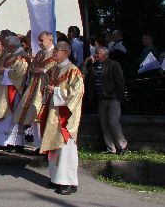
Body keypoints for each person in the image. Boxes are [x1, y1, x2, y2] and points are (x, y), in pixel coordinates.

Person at [38, 41, 84, 196]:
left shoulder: (73, 71)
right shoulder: (53, 70)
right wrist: (47, 89)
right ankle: (56, 178)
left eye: (57, 50)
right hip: (53, 113)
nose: (54, 53)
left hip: (65, 115)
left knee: (66, 149)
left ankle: (69, 182)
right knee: (54, 147)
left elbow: (76, 94)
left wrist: (56, 91)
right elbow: (45, 87)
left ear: (66, 52)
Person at [14, 31, 57, 153]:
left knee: (42, 116)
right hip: (34, 87)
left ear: (50, 40)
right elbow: (31, 68)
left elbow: (56, 72)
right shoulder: (38, 54)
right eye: (38, 40)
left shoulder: (55, 54)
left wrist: (43, 71)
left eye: (41, 40)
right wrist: (32, 69)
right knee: (34, 117)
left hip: (45, 89)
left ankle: (46, 147)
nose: (39, 43)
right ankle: (39, 145)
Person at [84, 47, 127, 154]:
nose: (96, 55)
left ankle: (122, 146)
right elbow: (83, 73)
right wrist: (87, 62)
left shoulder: (113, 65)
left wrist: (119, 97)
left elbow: (120, 81)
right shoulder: (94, 65)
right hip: (101, 99)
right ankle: (110, 148)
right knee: (104, 124)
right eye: (96, 53)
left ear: (105, 55)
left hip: (113, 98)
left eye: (98, 53)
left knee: (113, 122)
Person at [0, 36, 29, 151]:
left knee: (11, 117)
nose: (5, 47)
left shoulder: (22, 56)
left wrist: (5, 71)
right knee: (5, 118)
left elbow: (20, 73)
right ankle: (4, 141)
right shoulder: (10, 55)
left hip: (13, 92)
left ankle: (14, 143)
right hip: (3, 90)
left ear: (12, 46)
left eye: (7, 45)